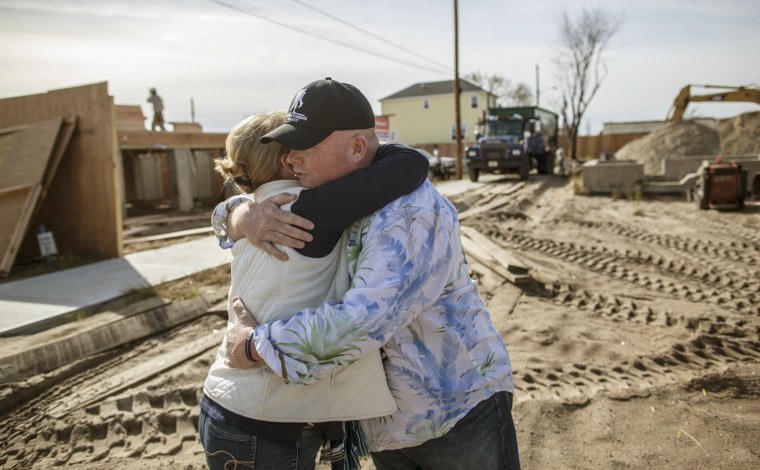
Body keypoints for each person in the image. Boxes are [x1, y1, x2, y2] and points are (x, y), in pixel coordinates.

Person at [217, 77, 521, 470]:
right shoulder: (340, 192)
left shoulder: (409, 214)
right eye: (288, 147)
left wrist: (254, 346)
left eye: (304, 148)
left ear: (358, 147)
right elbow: (251, 203)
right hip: (387, 422)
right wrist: (239, 215)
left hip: (454, 412)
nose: (290, 160)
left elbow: (360, 323)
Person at [200, 107, 429, 470]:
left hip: (237, 408)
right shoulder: (307, 209)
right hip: (264, 422)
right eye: (300, 145)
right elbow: (411, 164)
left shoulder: (260, 209)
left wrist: (235, 213)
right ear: (288, 160)